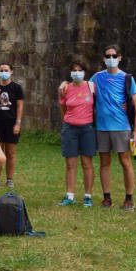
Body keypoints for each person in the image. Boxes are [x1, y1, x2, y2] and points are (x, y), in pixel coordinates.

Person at [90, 44, 136, 211]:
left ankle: (129, 198)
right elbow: (82, 88)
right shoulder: (96, 77)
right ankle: (106, 197)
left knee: (125, 161)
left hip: (121, 126)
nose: (111, 59)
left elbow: (135, 105)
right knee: (104, 162)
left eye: (114, 56)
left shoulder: (127, 78)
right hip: (102, 127)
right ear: (104, 59)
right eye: (107, 56)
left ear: (119, 58)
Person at [57, 60, 96, 207]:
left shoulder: (92, 87)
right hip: (70, 128)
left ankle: (87, 196)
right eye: (74, 70)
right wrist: (66, 123)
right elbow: (63, 108)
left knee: (87, 163)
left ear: (85, 72)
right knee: (70, 164)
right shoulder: (65, 89)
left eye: (80, 70)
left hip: (88, 128)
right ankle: (70, 195)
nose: (77, 73)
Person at [0, 62, 24, 188]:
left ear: (11, 72)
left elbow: (19, 107)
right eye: (1, 70)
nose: (3, 72)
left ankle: (10, 179)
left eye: (6, 70)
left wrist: (17, 123)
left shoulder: (16, 88)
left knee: (11, 152)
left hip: (11, 123)